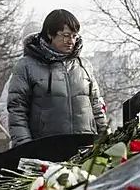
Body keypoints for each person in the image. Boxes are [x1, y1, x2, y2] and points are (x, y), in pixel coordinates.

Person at [7, 9, 107, 147]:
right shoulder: (26, 66)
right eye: (65, 35)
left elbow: (96, 107)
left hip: (85, 148)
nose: (70, 41)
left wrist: (106, 140)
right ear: (50, 34)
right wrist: (25, 147)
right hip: (45, 149)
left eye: (74, 36)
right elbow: (17, 110)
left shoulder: (84, 66)